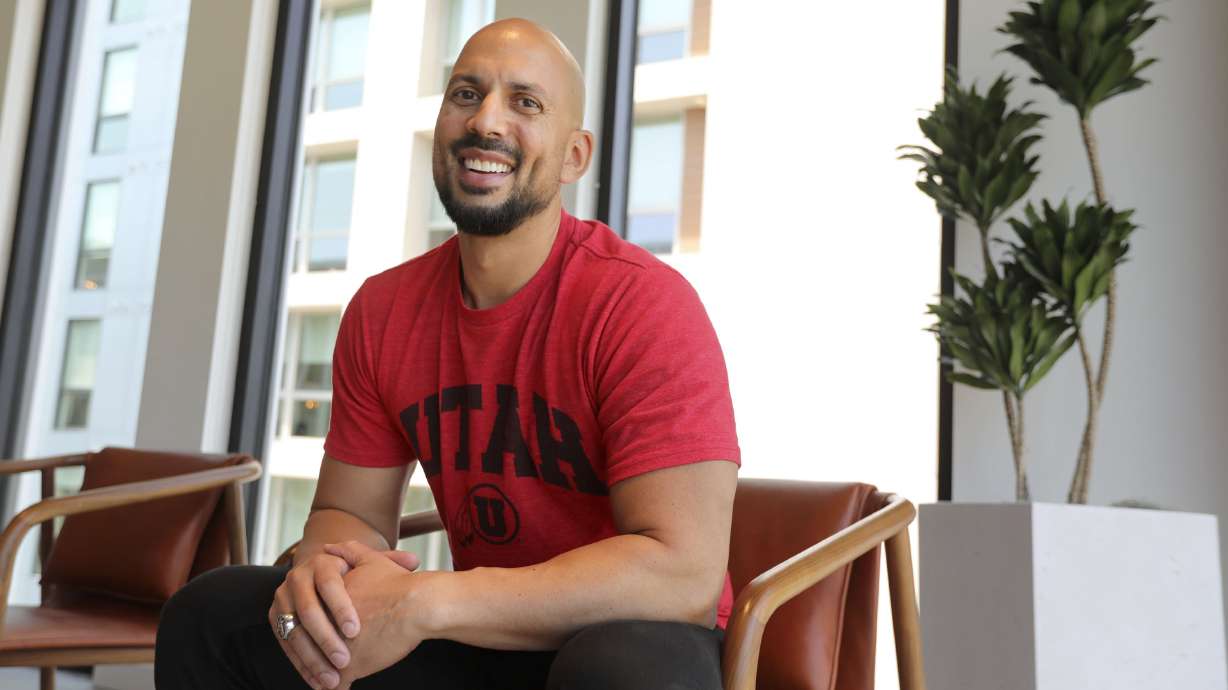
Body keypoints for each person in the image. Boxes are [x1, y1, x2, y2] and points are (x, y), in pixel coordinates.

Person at [155, 17, 739, 690]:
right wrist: (321, 576)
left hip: (639, 639)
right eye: (466, 93)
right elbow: (352, 514)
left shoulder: (640, 306)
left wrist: (427, 601)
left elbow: (681, 576)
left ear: (575, 157)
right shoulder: (384, 311)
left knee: (616, 669)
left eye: (525, 102)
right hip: (479, 638)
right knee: (214, 614)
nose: (485, 121)